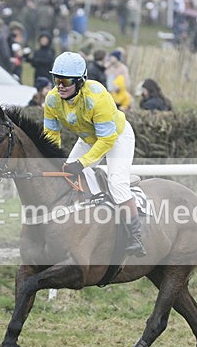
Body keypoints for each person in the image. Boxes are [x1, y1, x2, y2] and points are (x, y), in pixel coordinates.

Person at [43, 51, 146, 257]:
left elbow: (106, 140)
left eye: (65, 81)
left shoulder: (97, 97)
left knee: (117, 184)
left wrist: (82, 163)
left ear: (80, 81)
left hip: (117, 137)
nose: (60, 85)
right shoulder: (52, 99)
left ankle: (135, 236)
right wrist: (52, 161)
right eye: (56, 79)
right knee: (66, 175)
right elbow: (51, 134)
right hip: (89, 138)